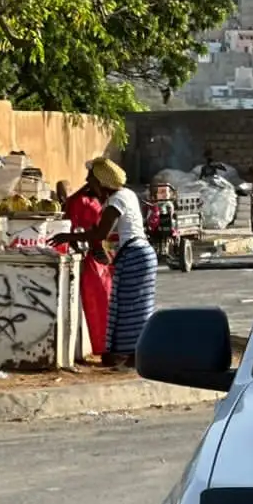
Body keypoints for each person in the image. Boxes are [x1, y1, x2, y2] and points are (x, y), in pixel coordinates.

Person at [49, 157, 156, 367]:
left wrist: (67, 237)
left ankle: (130, 354)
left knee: (128, 309)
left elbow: (100, 234)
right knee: (134, 308)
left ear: (101, 182)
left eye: (91, 179)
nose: (88, 183)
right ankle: (133, 353)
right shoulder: (127, 194)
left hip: (134, 256)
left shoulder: (116, 201)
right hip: (140, 254)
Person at [60, 165, 114, 357]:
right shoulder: (87, 201)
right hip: (96, 258)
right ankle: (104, 347)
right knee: (102, 305)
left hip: (95, 258)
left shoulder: (83, 201)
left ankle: (104, 347)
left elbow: (88, 232)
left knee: (100, 305)